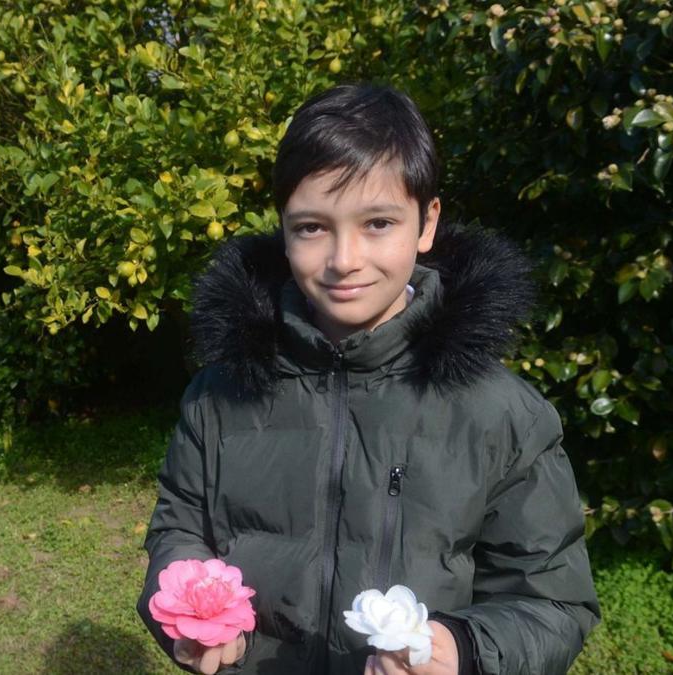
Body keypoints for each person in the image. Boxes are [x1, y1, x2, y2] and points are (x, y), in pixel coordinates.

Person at [135, 83, 600, 675]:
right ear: (282, 227)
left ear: (427, 223)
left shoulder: (502, 414)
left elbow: (552, 601)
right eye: (311, 227)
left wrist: (463, 651)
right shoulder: (220, 394)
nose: (344, 259)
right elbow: (179, 528)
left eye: (378, 222)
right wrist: (185, 615)